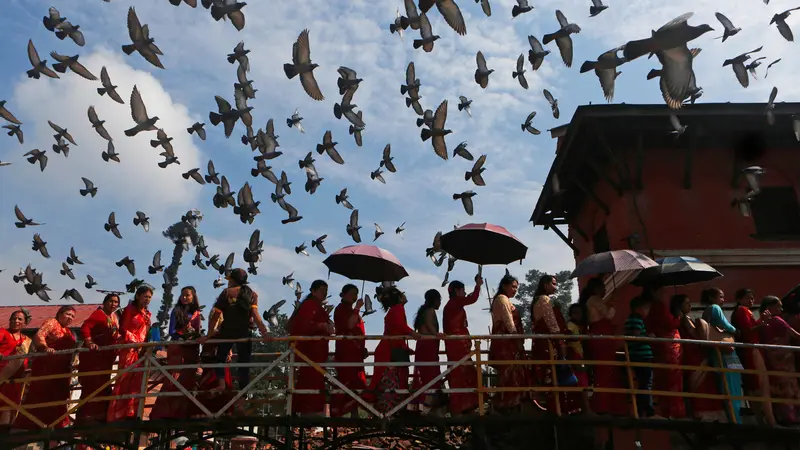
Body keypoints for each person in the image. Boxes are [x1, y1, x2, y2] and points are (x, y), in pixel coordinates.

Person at [202, 269, 269, 394]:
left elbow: (216, 315)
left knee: (220, 359)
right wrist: (264, 332)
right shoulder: (252, 294)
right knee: (244, 363)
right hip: (244, 333)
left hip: (227, 332)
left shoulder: (226, 293)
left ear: (233, 280)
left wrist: (209, 334)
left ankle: (221, 384)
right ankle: (243, 394)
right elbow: (255, 314)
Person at [14, 306, 77, 429]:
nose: (70, 317)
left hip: (62, 368)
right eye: (68, 314)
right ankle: (31, 424)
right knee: (41, 393)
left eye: (72, 316)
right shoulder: (52, 322)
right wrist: (45, 348)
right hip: (47, 365)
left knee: (59, 397)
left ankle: (56, 424)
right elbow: (39, 336)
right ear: (59, 313)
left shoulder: (68, 332)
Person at [530, 274, 581, 415]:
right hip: (550, 345)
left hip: (543, 344)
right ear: (545, 285)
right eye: (553, 283)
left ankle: (558, 408)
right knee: (556, 376)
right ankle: (561, 409)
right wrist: (562, 338)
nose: (555, 287)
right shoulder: (544, 299)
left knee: (552, 377)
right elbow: (552, 323)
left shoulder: (538, 300)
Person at [366, 284, 420, 414]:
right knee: (394, 380)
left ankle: (388, 410)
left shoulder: (396, 309)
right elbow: (400, 326)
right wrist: (414, 334)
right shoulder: (398, 309)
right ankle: (391, 410)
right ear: (399, 298)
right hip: (390, 350)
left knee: (390, 380)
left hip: (391, 348)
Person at [151, 286, 202, 419]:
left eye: (187, 295)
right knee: (173, 380)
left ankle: (181, 414)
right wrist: (184, 334)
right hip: (178, 347)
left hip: (191, 350)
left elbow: (197, 332)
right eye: (182, 295)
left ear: (193, 297)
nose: (184, 297)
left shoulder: (196, 313)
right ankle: (164, 414)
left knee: (188, 380)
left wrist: (194, 336)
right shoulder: (176, 311)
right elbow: (172, 331)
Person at [578, 276, 625, 415]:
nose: (605, 290)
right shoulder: (595, 299)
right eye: (603, 287)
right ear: (596, 288)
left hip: (599, 335)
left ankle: (605, 404)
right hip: (602, 336)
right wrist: (612, 303)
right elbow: (608, 314)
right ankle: (604, 405)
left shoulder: (590, 300)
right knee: (606, 370)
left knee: (604, 370)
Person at [288, 279, 333, 416]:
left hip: (317, 352)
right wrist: (323, 326)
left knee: (314, 380)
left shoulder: (315, 306)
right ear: (313, 291)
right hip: (310, 351)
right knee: (310, 380)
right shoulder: (309, 306)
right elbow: (304, 326)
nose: (324, 294)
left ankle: (311, 412)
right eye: (321, 291)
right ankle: (308, 412)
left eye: (326, 291)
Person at [108, 286, 153, 422]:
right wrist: (134, 341)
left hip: (140, 350)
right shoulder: (129, 310)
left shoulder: (147, 313)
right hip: (129, 348)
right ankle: (118, 413)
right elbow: (122, 329)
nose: (147, 300)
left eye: (150, 297)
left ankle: (131, 411)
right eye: (145, 296)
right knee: (125, 377)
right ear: (138, 296)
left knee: (137, 380)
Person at [730, 288, 774, 426]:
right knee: (760, 385)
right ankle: (769, 421)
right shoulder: (742, 311)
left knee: (754, 386)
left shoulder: (741, 311)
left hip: (749, 350)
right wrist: (762, 321)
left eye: (752, 298)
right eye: (748, 298)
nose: (751, 301)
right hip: (751, 350)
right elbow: (749, 331)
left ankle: (761, 420)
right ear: (739, 299)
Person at [76, 294, 120, 424]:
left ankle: (100, 416)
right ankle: (86, 417)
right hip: (94, 356)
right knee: (92, 384)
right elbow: (85, 328)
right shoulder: (98, 314)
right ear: (105, 302)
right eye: (111, 301)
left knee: (103, 385)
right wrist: (89, 343)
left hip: (106, 357)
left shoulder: (113, 317)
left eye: (116, 302)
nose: (113, 304)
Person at [700, 287, 743, 423]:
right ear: (712, 298)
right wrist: (735, 330)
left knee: (726, 387)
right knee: (732, 388)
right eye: (721, 297)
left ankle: (733, 418)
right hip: (725, 354)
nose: (723, 300)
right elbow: (723, 323)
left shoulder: (705, 313)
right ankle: (736, 421)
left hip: (717, 352)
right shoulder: (714, 308)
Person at [642, 286, 685, 419]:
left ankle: (667, 410)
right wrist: (678, 317)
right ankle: (672, 412)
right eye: (661, 290)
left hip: (662, 348)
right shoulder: (659, 306)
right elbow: (670, 323)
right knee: (671, 378)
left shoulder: (655, 307)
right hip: (668, 349)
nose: (664, 293)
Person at [442, 275, 483, 415]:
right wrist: (478, 285)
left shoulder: (451, 305)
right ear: (457, 291)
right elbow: (472, 299)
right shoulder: (455, 303)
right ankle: (463, 406)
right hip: (458, 344)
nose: (464, 293)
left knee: (460, 373)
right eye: (463, 290)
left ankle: (463, 405)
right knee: (463, 373)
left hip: (456, 344)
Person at [489, 273, 530, 412]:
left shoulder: (504, 300)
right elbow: (508, 321)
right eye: (513, 287)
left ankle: (510, 403)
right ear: (504, 286)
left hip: (507, 341)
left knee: (512, 372)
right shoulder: (502, 299)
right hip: (506, 343)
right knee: (510, 371)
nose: (515, 290)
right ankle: (506, 405)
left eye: (516, 287)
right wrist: (516, 338)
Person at [758, 296, 800, 425]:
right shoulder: (777, 320)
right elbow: (795, 335)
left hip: (771, 360)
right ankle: (792, 417)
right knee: (789, 387)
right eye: (779, 306)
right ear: (770, 308)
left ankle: (781, 416)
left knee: (777, 388)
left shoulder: (761, 322)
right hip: (784, 359)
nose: (781, 309)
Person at [331, 284, 367, 417]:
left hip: (356, 352)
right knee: (346, 381)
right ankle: (337, 413)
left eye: (356, 294)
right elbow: (349, 325)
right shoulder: (340, 309)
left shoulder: (352, 311)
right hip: (346, 352)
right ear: (344, 294)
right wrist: (357, 308)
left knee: (356, 383)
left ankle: (354, 413)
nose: (354, 296)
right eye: (352, 293)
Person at [411, 289, 444, 413]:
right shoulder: (430, 311)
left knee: (425, 377)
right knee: (431, 377)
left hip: (424, 346)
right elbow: (430, 326)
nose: (440, 302)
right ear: (434, 300)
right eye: (439, 299)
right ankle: (426, 407)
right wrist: (437, 334)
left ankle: (422, 406)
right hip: (428, 346)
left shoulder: (423, 311)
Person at [623, 296, 655, 418]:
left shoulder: (631, 320)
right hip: (642, 356)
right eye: (645, 308)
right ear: (638, 308)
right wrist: (649, 337)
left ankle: (641, 409)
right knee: (646, 383)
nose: (647, 311)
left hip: (637, 355)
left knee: (643, 383)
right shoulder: (636, 319)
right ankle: (648, 409)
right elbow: (636, 336)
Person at [0, 309, 32, 426]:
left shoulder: (27, 341)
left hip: (17, 379)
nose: (16, 321)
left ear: (25, 323)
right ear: (9, 320)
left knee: (12, 404)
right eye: (13, 318)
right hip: (2, 375)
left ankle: (7, 428)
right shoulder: (3, 332)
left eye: (19, 319)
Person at [566, 303, 591, 412]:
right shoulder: (571, 325)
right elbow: (568, 335)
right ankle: (587, 409)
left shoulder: (579, 326)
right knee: (582, 383)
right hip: (575, 356)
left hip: (579, 356)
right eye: (575, 313)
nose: (577, 316)